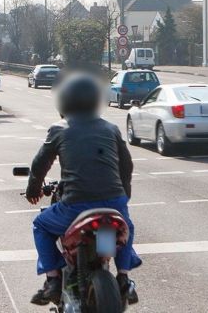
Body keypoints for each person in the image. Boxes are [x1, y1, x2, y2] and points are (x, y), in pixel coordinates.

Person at [26, 72, 141, 306]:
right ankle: (124, 277)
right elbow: (126, 165)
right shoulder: (111, 128)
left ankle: (53, 279)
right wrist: (123, 196)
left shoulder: (59, 129)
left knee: (40, 225)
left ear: (65, 101)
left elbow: (40, 164)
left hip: (75, 205)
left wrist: (33, 189)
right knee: (125, 226)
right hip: (114, 203)